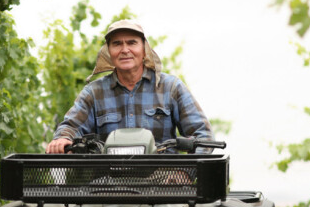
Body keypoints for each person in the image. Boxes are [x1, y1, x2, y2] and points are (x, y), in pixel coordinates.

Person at [46, 20, 213, 154]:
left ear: (144, 49)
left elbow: (203, 135)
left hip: (163, 183)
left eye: (132, 43)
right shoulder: (94, 92)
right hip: (107, 183)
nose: (125, 50)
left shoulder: (171, 87)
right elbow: (71, 126)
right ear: (109, 51)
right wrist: (63, 139)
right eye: (117, 44)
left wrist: (186, 173)